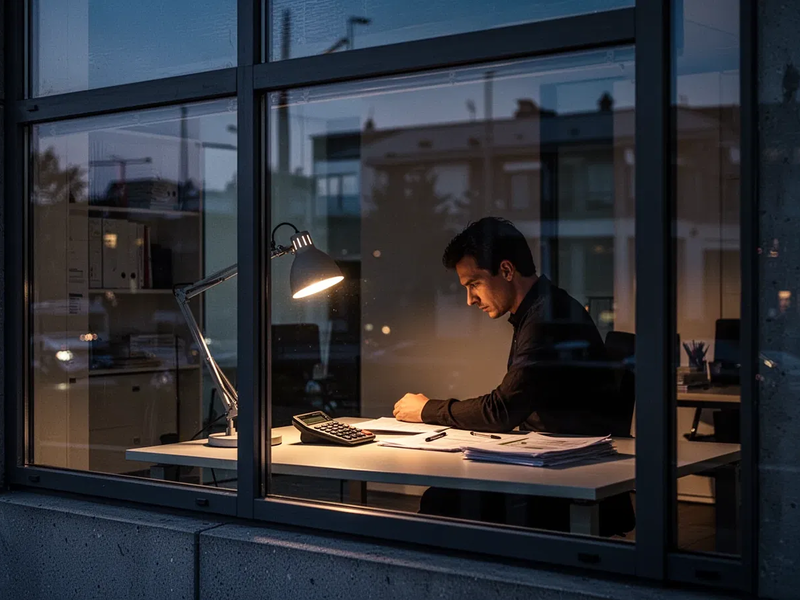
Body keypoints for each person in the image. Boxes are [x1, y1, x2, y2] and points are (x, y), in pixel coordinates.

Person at [392, 217, 635, 536]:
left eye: (473, 284)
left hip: (565, 475)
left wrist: (426, 410)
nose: (470, 299)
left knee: (443, 501)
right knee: (446, 491)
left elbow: (502, 411)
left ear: (506, 271)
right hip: (558, 462)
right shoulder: (544, 309)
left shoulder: (547, 319)